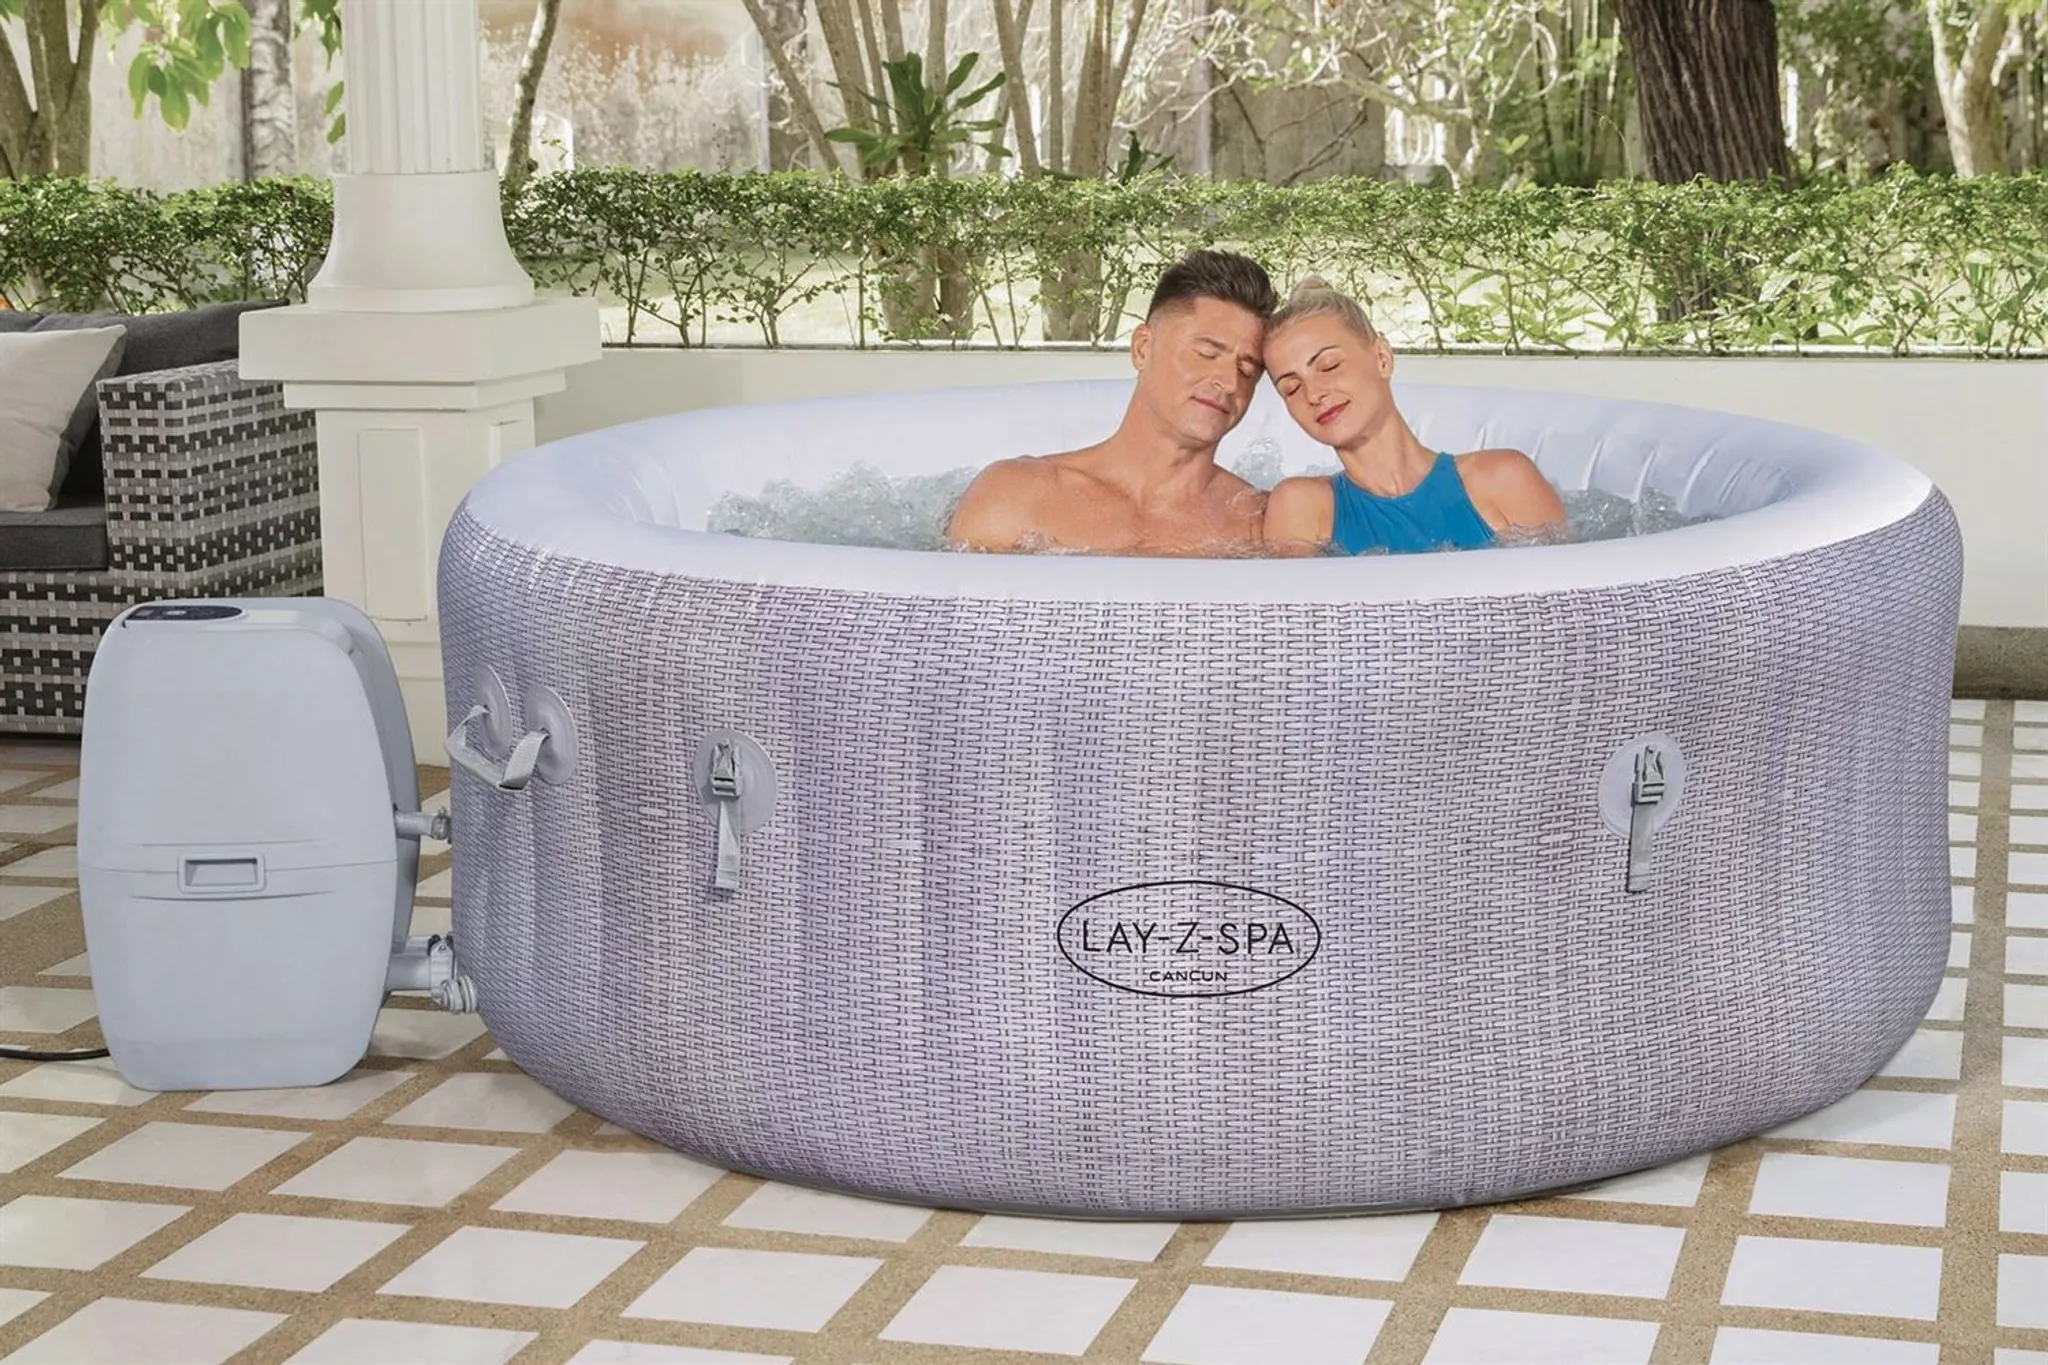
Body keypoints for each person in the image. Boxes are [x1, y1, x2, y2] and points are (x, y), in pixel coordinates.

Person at [944, 250, 1277, 556]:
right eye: (1206, 353)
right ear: (1142, 348)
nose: (1230, 382)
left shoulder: (1259, 524)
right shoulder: (1017, 495)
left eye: (1247, 370)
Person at [1259, 277, 1568, 556]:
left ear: (1382, 358)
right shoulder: (1301, 506)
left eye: (1329, 366)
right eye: (1291, 388)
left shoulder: (1504, 479)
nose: (1313, 394)